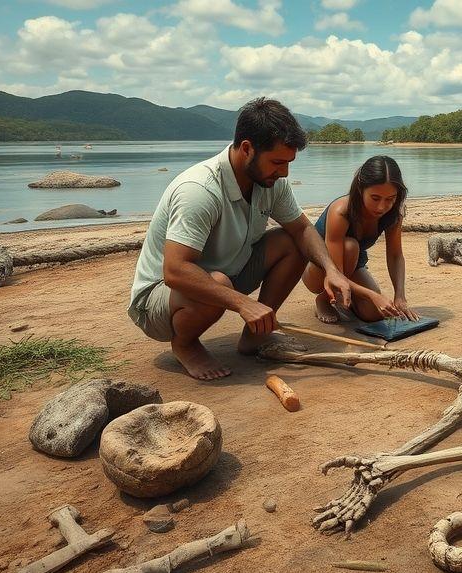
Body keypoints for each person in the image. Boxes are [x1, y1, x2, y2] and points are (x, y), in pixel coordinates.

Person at [128, 97, 351, 380]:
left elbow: (302, 230)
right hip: (159, 300)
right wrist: (244, 303)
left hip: (229, 274)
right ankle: (185, 344)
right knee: (217, 281)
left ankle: (255, 335)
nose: (284, 173)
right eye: (278, 162)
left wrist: (332, 271)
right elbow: (175, 271)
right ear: (247, 148)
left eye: (288, 163)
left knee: (291, 242)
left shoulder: (271, 183)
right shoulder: (199, 190)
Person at [302, 155, 418, 323]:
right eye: (375, 198)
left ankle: (347, 298)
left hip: (353, 265)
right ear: (360, 189)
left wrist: (400, 296)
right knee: (350, 246)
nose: (382, 207)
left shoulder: (393, 215)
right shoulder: (341, 211)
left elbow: (395, 255)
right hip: (321, 270)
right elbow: (336, 274)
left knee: (374, 314)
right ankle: (324, 298)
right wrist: (372, 295)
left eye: (390, 199)